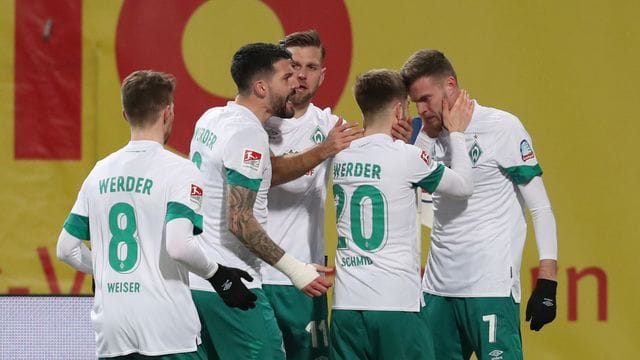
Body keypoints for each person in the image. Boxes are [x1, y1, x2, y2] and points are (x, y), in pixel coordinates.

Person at [56, 70, 256, 359]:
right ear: (168, 112)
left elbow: (66, 249)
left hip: (113, 328)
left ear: (125, 115)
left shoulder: (99, 172)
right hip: (167, 328)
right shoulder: (181, 170)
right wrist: (217, 274)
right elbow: (179, 246)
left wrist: (103, 271)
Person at [401, 49, 558, 360]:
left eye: (426, 98)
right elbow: (411, 201)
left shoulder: (502, 127)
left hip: (490, 288)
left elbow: (540, 208)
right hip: (437, 289)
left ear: (450, 84)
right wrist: (413, 142)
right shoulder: (422, 135)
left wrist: (548, 281)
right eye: (414, 101)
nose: (421, 109)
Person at [187, 43, 332, 360]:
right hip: (236, 286)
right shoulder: (246, 134)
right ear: (261, 87)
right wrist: (297, 270)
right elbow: (239, 221)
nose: (295, 84)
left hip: (201, 283)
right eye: (286, 77)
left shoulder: (210, 119)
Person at [328, 69, 474, 360]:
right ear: (398, 109)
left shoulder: (340, 157)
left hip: (345, 307)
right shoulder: (406, 157)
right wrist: (457, 133)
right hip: (395, 306)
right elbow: (463, 187)